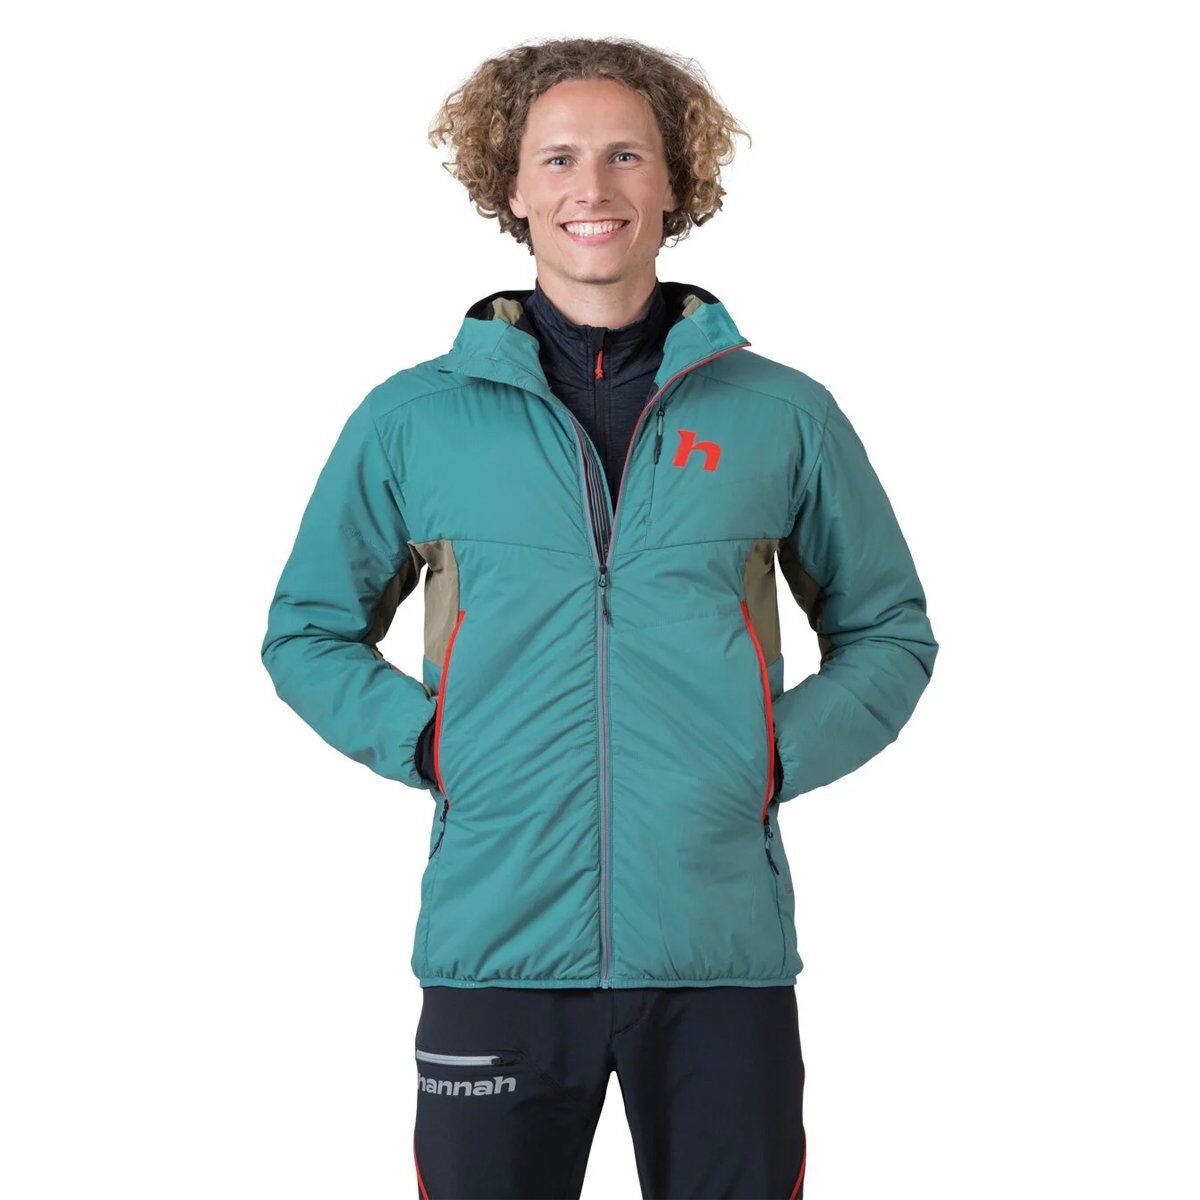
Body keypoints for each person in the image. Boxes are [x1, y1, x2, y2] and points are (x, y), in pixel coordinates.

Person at [261, 36, 938, 1200]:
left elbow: (890, 630)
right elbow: (307, 629)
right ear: (512, 187)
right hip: (497, 943)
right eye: (559, 157)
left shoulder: (782, 414)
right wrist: (433, 742)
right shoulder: (415, 420)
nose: (594, 187)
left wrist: (767, 754)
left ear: (676, 182)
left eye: (627, 155)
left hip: (718, 951)